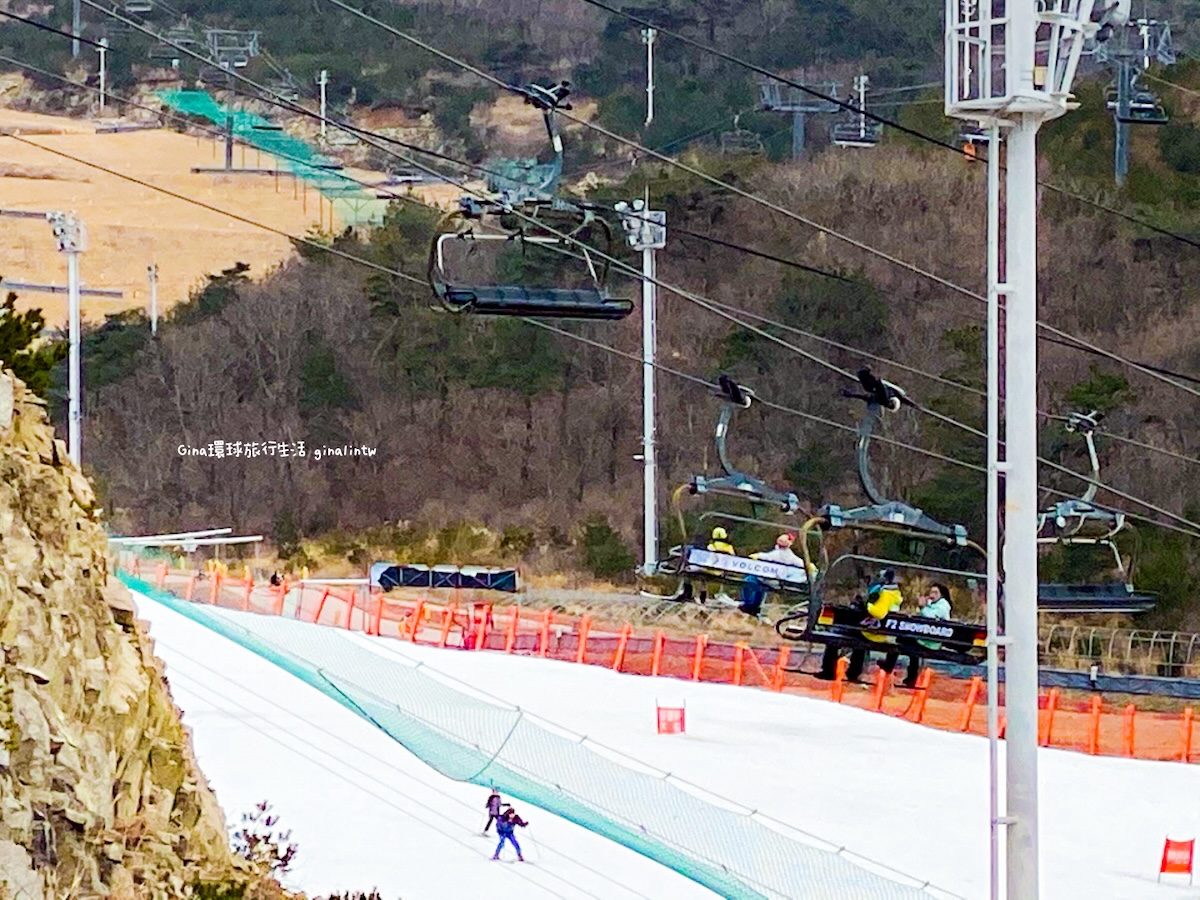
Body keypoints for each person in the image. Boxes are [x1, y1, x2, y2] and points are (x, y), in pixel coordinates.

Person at [736, 533, 813, 618]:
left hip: (768, 580)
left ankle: (750, 605)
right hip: (778, 583)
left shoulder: (774, 554)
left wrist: (756, 556)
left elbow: (764, 557)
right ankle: (754, 607)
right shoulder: (792, 558)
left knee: (751, 580)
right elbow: (804, 565)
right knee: (759, 583)